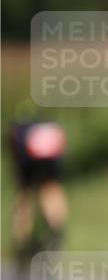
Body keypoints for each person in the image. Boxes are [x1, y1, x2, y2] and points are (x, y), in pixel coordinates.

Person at [8, 102, 68, 261]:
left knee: (24, 193)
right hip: (50, 146)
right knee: (50, 187)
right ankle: (55, 232)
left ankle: (21, 240)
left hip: (26, 150)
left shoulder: (17, 128)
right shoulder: (50, 124)